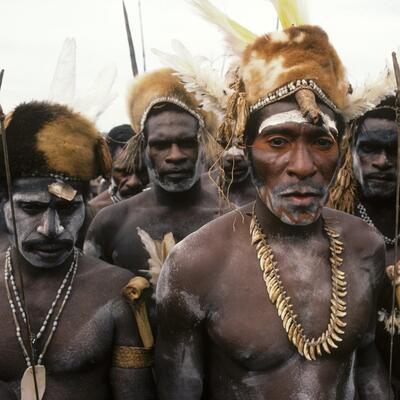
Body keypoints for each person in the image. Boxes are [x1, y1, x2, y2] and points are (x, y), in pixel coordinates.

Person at [156, 7, 389, 399]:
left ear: (341, 151)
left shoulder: (365, 247)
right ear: (247, 151)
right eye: (278, 142)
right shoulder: (195, 264)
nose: (302, 166)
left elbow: (368, 372)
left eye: (320, 142)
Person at [0, 101, 155, 399]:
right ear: (5, 206)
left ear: (85, 208)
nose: (51, 228)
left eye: (68, 209)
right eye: (31, 208)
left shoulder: (119, 293)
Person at [85, 68, 220, 280]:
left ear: (202, 145)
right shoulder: (110, 223)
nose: (175, 156)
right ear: (144, 148)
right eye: (161, 145)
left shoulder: (231, 217)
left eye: (186, 143)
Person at [328, 72, 399, 395]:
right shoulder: (329, 227)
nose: (383, 162)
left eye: (396, 150)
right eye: (370, 149)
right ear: (350, 150)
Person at [89, 124, 149, 213]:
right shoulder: (93, 212)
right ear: (109, 169)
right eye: (124, 172)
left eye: (141, 171)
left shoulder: (161, 206)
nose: (133, 182)